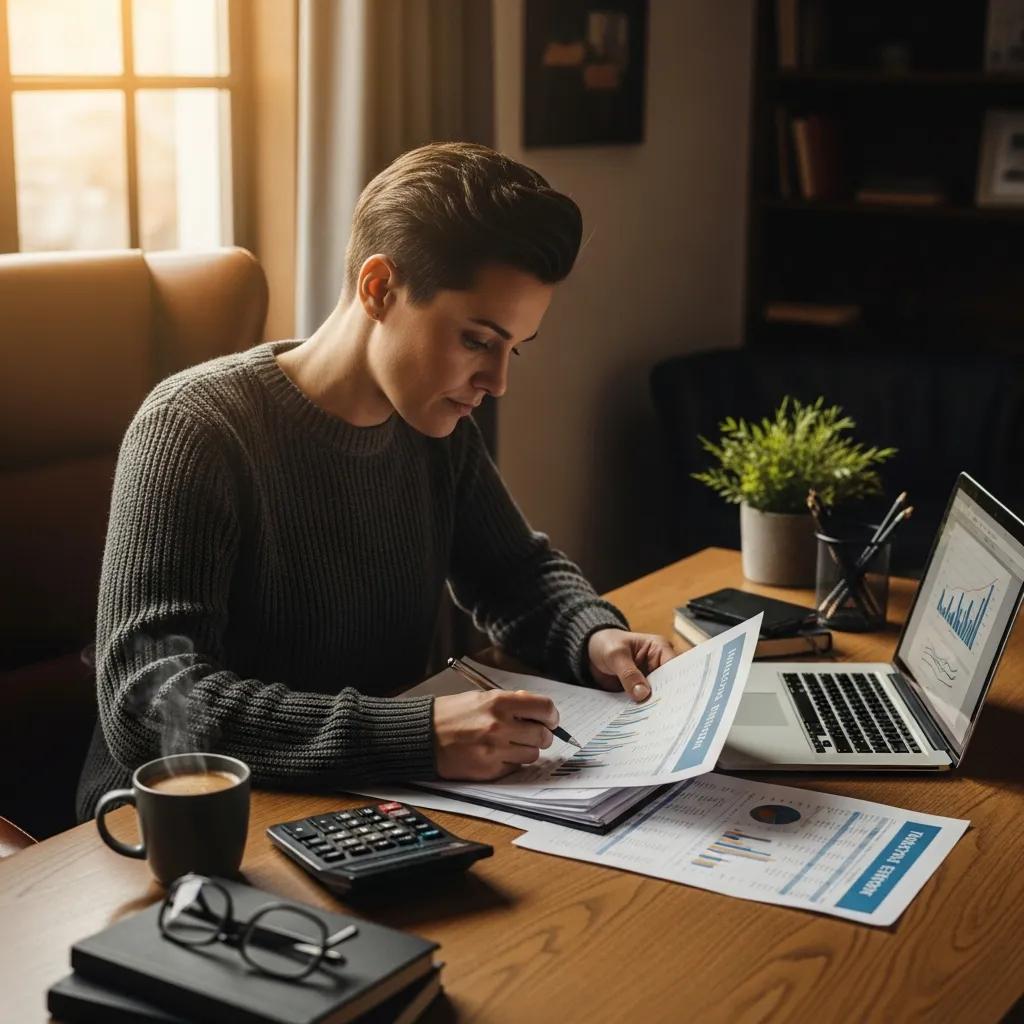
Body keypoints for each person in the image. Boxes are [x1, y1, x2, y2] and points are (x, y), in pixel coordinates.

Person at [75, 141, 677, 821]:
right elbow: (151, 701)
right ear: (379, 288)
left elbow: (514, 573)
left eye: (514, 348)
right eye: (478, 340)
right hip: (182, 825)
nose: (498, 382)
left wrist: (593, 636)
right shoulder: (195, 430)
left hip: (375, 798)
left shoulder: (435, 432)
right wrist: (415, 736)